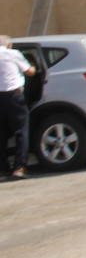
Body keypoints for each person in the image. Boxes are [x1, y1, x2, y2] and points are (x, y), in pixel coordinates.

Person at [0, 36, 36, 179]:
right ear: (9, 45)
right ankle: (19, 168)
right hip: (13, 96)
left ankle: (2, 170)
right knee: (21, 131)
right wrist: (33, 66)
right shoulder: (13, 54)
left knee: (0, 134)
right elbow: (30, 72)